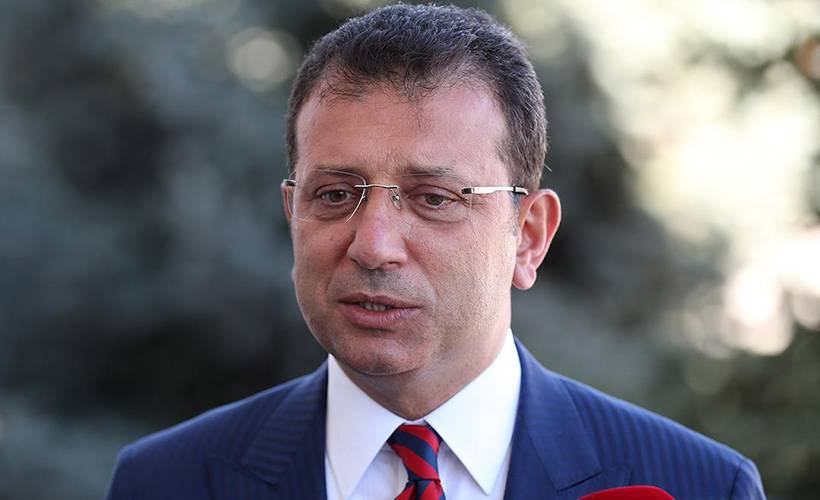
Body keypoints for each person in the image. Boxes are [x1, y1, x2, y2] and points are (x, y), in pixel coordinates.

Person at [105, 4, 765, 499]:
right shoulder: (166, 482)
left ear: (528, 236)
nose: (374, 245)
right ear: (292, 213)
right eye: (335, 194)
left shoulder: (698, 487)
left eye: (433, 198)